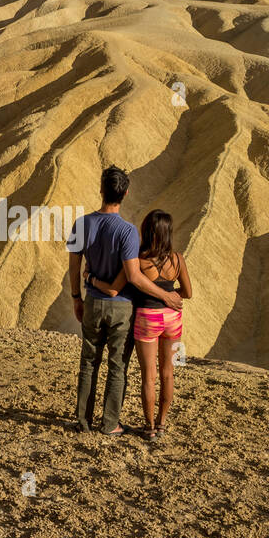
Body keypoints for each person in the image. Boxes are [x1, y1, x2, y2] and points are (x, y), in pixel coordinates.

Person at [67, 168, 182, 436]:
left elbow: (74, 265)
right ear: (126, 193)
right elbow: (133, 276)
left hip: (93, 303)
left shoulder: (80, 224)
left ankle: (83, 422)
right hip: (122, 308)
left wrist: (77, 297)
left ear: (101, 189)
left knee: (88, 362)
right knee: (117, 365)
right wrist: (166, 295)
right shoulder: (128, 231)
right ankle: (110, 424)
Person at [87, 209, 192, 437]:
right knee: (168, 373)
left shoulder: (140, 261)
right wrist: (171, 295)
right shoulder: (178, 259)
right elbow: (188, 292)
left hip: (148, 318)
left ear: (146, 231)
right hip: (173, 319)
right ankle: (162, 423)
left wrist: (91, 279)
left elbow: (113, 288)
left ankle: (149, 427)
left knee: (149, 376)